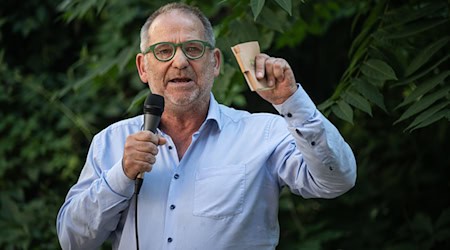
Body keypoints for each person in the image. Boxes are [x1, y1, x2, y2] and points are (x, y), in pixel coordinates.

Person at [56, 2, 356, 250]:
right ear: (142, 68)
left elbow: (336, 180)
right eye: (163, 51)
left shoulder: (263, 133)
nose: (180, 62)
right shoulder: (111, 142)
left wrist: (291, 101)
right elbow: (73, 241)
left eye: (194, 49)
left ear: (215, 63)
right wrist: (121, 175)